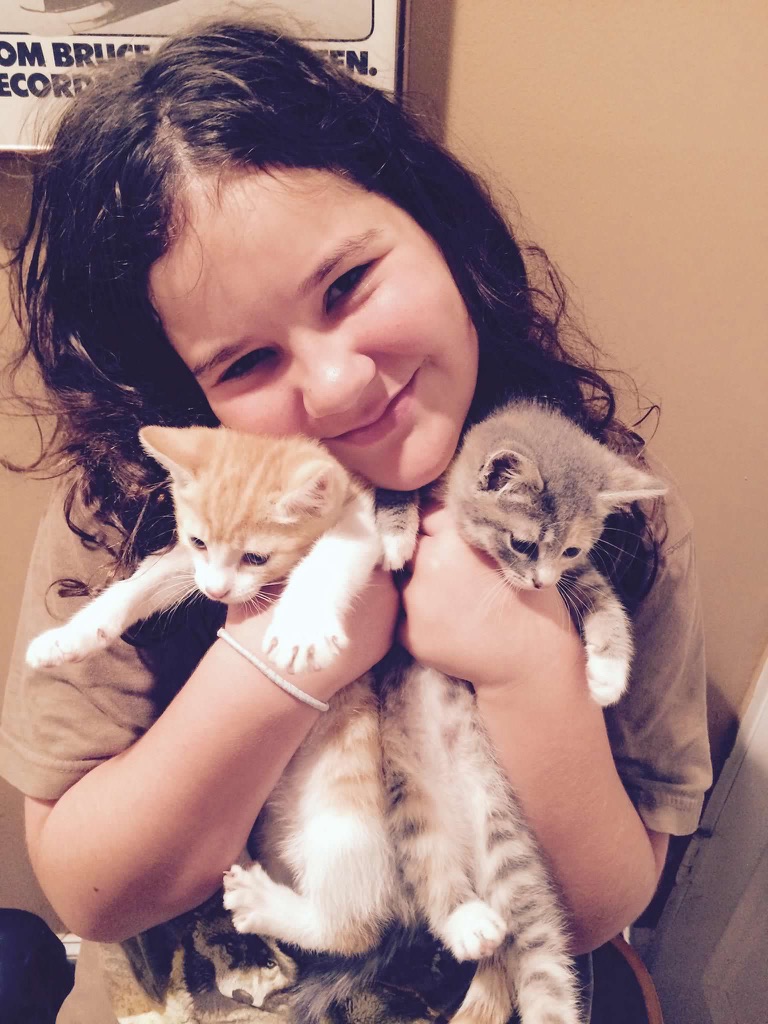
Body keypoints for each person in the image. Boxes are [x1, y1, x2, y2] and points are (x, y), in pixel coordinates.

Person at [0, 18, 711, 1023]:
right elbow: (90, 892)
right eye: (247, 362)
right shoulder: (132, 512)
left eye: (347, 285)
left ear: (441, 233)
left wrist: (524, 663)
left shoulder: (594, 516)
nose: (336, 386)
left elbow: (601, 907)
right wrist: (287, 655)